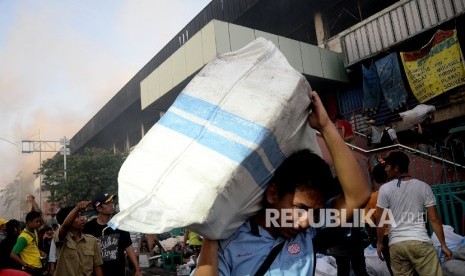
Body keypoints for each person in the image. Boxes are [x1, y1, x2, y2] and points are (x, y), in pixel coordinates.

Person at [195, 91, 371, 275]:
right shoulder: (230, 243)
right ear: (273, 194)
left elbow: (359, 195)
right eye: (301, 208)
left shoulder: (308, 233)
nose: (306, 221)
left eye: (315, 212)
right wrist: (211, 232)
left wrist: (325, 126)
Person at [376, 151, 452, 275]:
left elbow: (381, 220)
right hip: (420, 242)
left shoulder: (384, 189)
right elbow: (434, 219)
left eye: (388, 166)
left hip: (397, 245)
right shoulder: (424, 187)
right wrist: (443, 245)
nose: (385, 169)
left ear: (396, 168)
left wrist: (379, 243)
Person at [83, 194, 142, 276]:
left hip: (118, 272)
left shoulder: (119, 225)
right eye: (107, 203)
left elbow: (128, 247)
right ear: (99, 208)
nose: (112, 205)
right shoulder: (89, 228)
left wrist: (137, 269)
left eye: (112, 202)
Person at [54, 201, 103, 276]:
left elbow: (97, 267)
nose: (82, 219)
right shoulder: (60, 238)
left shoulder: (91, 240)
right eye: (77, 216)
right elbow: (65, 226)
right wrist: (77, 208)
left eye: (81, 215)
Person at [364, 156, 393, 275]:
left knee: (394, 270)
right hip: (405, 233)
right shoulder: (400, 192)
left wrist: (373, 240)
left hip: (385, 238)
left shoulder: (372, 199)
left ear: (374, 180)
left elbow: (368, 223)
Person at [10, 211, 46, 276]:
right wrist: (26, 265)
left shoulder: (34, 231)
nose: (39, 223)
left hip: (38, 266)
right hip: (31, 269)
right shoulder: (23, 237)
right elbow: (13, 254)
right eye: (37, 221)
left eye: (40, 222)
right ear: (29, 222)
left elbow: (31, 247)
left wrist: (40, 252)